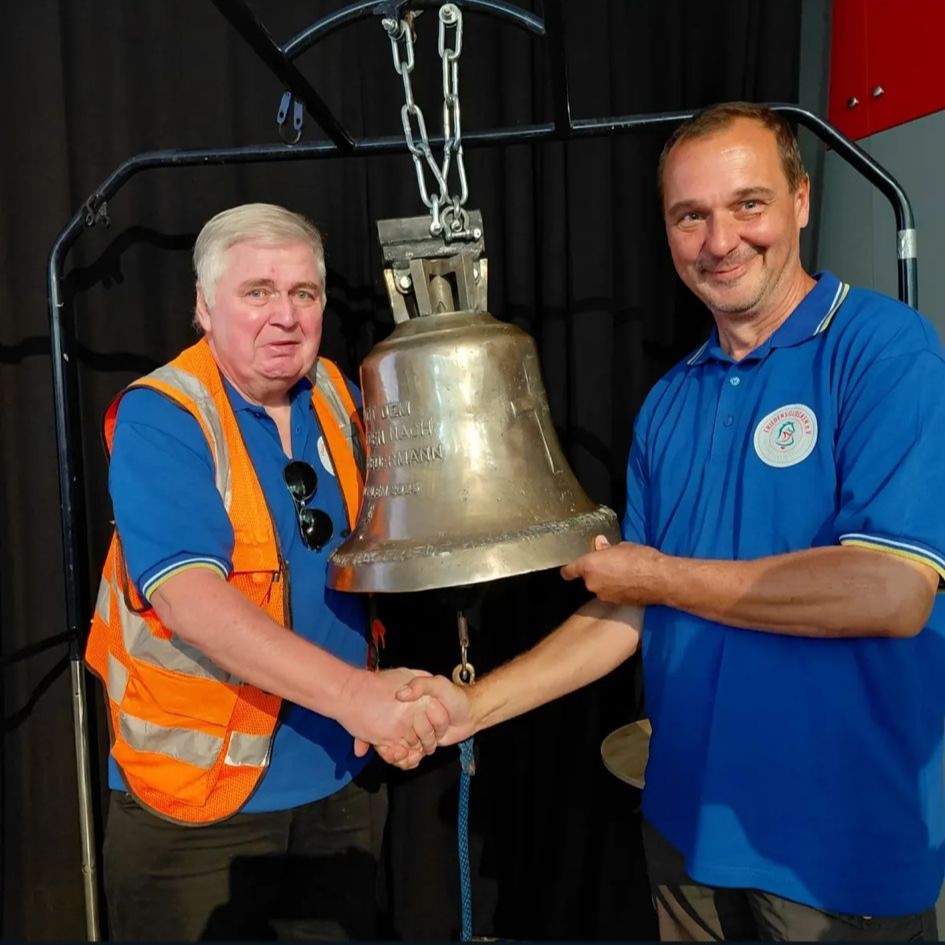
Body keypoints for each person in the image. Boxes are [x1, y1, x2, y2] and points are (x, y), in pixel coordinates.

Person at [394, 102, 945, 941]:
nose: (719, 240)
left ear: (801, 200)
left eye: (747, 204)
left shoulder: (880, 350)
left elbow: (890, 591)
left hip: (832, 849)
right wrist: (473, 707)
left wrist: (653, 574)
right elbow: (629, 611)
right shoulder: (669, 401)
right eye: (690, 216)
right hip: (685, 833)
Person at [85, 202, 446, 941]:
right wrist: (358, 697)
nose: (284, 316)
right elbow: (190, 601)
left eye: (302, 293)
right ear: (204, 306)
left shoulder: (338, 392)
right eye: (258, 292)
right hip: (200, 807)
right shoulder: (165, 415)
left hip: (339, 783)